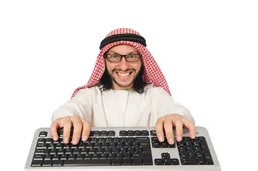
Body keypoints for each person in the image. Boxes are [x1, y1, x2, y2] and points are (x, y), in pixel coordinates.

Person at [49, 28, 195, 146]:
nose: (124, 66)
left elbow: (172, 109)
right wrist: (66, 118)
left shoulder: (155, 94)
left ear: (142, 60)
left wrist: (176, 116)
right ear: (104, 61)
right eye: (114, 56)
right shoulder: (89, 95)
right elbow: (69, 110)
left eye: (132, 56)